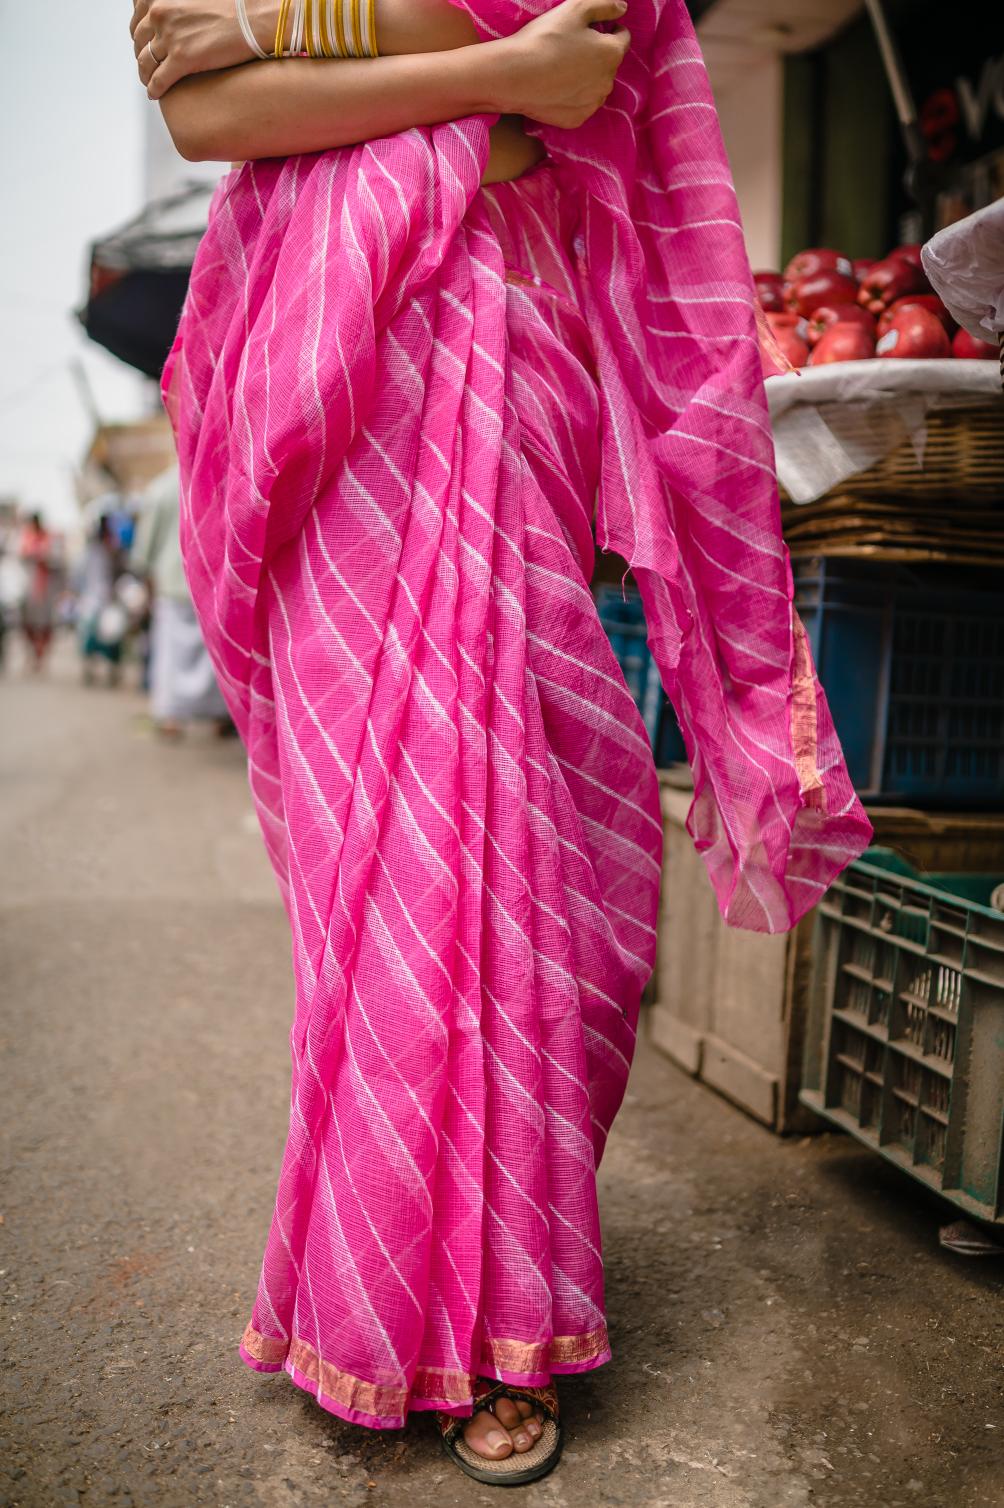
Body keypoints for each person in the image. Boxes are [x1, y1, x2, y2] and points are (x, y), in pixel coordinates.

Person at [130, 0, 872, 1485]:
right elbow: (205, 113)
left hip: (502, 343)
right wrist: (491, 91)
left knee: (544, 841)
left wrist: (293, 28)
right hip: (332, 370)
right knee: (390, 863)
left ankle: (497, 1292)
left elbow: (585, 32)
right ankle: (402, 1303)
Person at [130, 464, 230, 736]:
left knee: (171, 655)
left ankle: (171, 718)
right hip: (212, 581)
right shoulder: (218, 478)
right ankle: (218, 717)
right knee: (212, 655)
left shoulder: (159, 489)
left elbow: (144, 550)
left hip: (172, 583)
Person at [76, 515, 125, 686]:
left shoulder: (115, 551)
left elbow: (121, 574)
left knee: (112, 638)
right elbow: (80, 575)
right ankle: (90, 670)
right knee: (92, 636)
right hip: (93, 600)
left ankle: (111, 672)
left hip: (109, 600)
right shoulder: (93, 551)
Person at [17, 512, 59, 673]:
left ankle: (41, 657)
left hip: (45, 590)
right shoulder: (26, 538)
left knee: (44, 626)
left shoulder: (48, 539)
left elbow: (55, 561)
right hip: (29, 589)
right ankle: (32, 655)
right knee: (28, 625)